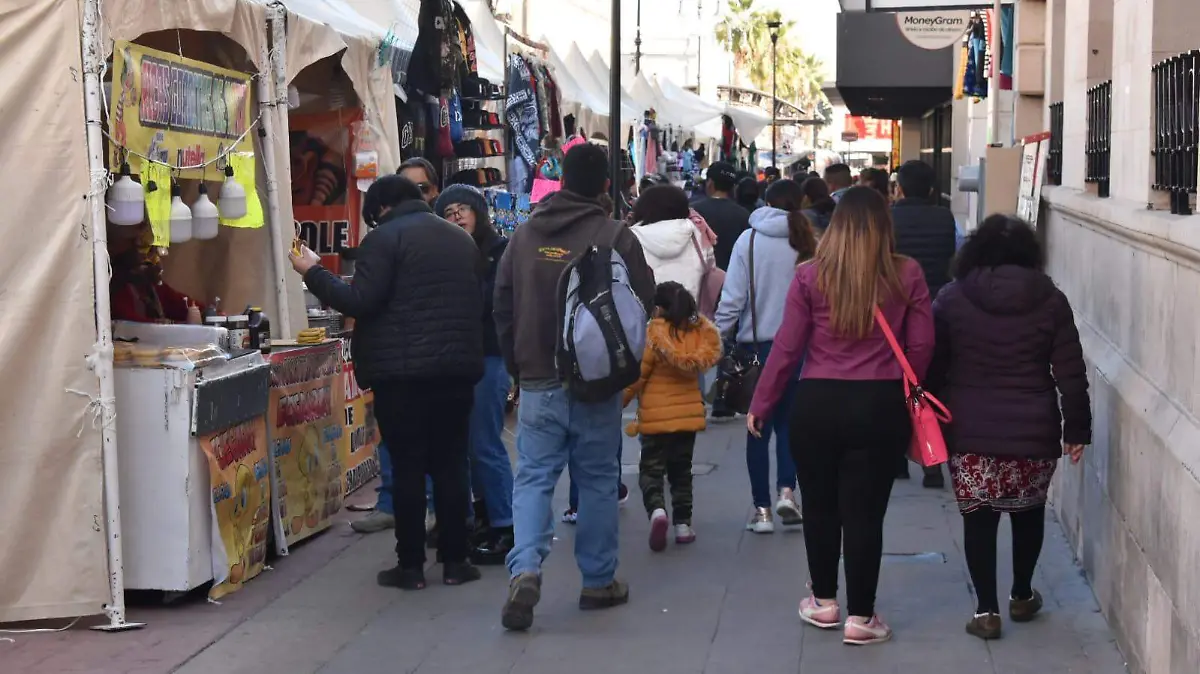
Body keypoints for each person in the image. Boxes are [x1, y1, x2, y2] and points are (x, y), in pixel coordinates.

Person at [747, 186, 934, 645]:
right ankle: (863, 617)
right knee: (867, 513)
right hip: (879, 404)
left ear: (836, 226)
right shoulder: (906, 273)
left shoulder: (810, 276)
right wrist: (908, 389)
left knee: (822, 507)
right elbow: (923, 345)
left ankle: (825, 603)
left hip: (818, 402)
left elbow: (787, 348)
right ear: (884, 226)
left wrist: (762, 403)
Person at [290, 175, 484, 590]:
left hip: (402, 378)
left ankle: (411, 566)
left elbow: (359, 301)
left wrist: (313, 272)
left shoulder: (383, 240)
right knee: (451, 465)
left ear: (379, 210)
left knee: (410, 468)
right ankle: (455, 561)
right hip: (456, 372)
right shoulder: (461, 241)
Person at [493, 142, 656, 631]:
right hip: (597, 382)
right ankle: (598, 580)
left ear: (561, 181)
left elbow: (501, 306)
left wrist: (517, 367)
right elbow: (641, 306)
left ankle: (524, 568)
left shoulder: (523, 237)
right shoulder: (615, 235)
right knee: (598, 480)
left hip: (539, 378)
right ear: (606, 186)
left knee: (535, 477)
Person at [924, 215, 1090, 641]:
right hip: (1033, 426)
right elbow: (1070, 372)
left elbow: (935, 365)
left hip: (970, 428)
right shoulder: (1051, 300)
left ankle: (985, 611)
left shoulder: (951, 298)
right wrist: (1077, 429)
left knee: (978, 518)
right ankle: (1020, 594)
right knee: (1028, 512)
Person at [715, 179, 817, 534]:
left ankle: (762, 512)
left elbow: (733, 297)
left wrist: (717, 334)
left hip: (757, 348)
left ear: (766, 202)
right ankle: (787, 492)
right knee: (791, 424)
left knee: (758, 427)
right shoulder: (807, 240)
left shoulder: (750, 239)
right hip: (802, 348)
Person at [433, 184, 516, 566]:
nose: (457, 217)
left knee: (485, 442)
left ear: (479, 214)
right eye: (448, 213)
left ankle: (507, 525)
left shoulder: (497, 253)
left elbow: (490, 303)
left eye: (463, 209)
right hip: (458, 357)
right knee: (467, 445)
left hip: (489, 355)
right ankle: (484, 515)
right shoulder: (447, 254)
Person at [623, 282, 722, 551]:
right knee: (681, 471)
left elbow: (638, 376)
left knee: (651, 471)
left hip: (655, 421)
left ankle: (657, 511)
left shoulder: (654, 336)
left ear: (659, 308)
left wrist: (620, 401)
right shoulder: (696, 335)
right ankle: (683, 525)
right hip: (686, 419)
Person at [891, 159, 959, 487]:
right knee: (929, 386)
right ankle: (932, 462)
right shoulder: (945, 217)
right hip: (937, 306)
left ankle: (898, 461)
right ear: (932, 189)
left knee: (898, 383)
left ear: (899, 188)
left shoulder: (888, 219)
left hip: (896, 309)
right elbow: (954, 255)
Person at [628, 184, 713, 301]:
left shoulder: (630, 238)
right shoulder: (697, 234)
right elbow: (710, 269)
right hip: (690, 313)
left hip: (646, 315)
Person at [108, 222, 193, 323]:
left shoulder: (154, 286)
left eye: (151, 251)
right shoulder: (118, 289)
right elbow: (130, 322)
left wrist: (207, 312)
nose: (151, 257)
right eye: (143, 248)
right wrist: (168, 324)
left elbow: (183, 304)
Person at [691, 161, 750, 271]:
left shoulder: (693, 211)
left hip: (699, 277)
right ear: (733, 187)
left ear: (710, 183)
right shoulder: (744, 214)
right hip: (731, 277)